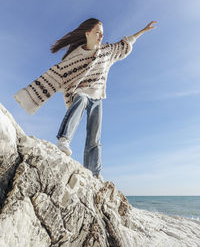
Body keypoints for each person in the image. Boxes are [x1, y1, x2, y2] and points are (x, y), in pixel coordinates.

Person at [14, 18, 157, 181]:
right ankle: (64, 140)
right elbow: (54, 76)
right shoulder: (74, 57)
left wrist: (142, 31)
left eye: (102, 33)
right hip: (80, 93)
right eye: (97, 32)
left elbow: (124, 44)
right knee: (81, 99)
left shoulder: (106, 52)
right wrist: (27, 96)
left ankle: (94, 172)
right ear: (87, 33)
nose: (101, 36)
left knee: (95, 135)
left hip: (97, 97)